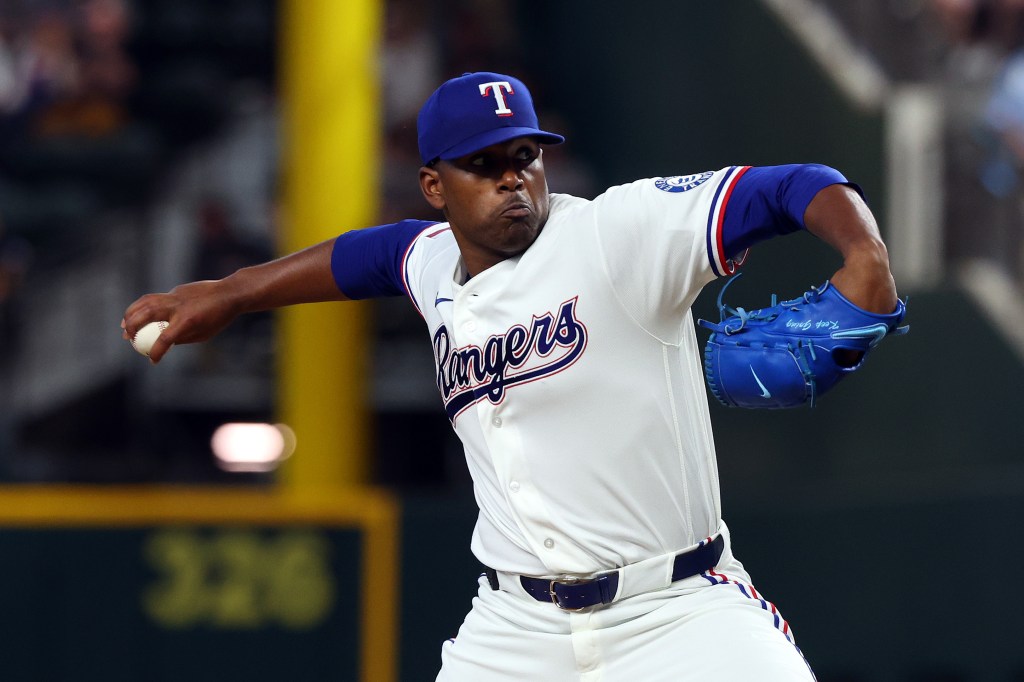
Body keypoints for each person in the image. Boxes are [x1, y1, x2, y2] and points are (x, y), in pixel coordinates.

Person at [122, 71, 898, 680]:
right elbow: (367, 255)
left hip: (678, 612)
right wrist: (229, 293)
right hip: (517, 630)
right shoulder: (432, 260)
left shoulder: (614, 233)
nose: (512, 179)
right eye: (483, 165)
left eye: (524, 157)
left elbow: (793, 184)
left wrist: (865, 258)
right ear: (435, 188)